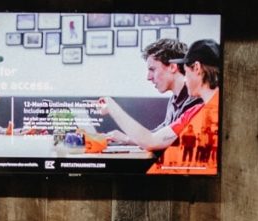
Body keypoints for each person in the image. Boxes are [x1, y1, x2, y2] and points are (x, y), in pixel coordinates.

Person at [92, 38, 221, 174]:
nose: (148, 77)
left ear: (196, 68)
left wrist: (112, 107)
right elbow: (155, 138)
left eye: (152, 69)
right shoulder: (191, 107)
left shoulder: (198, 106)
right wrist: (126, 138)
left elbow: (152, 141)